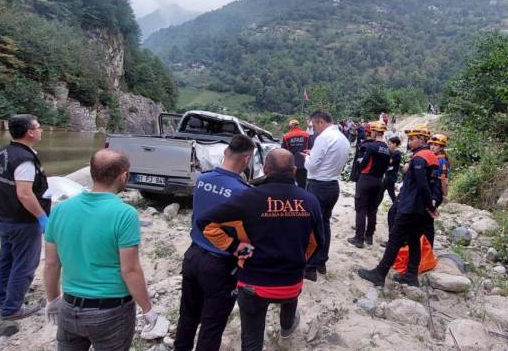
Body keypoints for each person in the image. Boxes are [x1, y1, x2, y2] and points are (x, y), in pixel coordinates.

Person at [195, 149, 324, 351]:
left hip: (253, 283)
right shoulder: (310, 200)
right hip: (291, 282)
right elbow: (317, 243)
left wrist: (234, 247)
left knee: (252, 339)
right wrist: (298, 260)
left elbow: (205, 223)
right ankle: (287, 329)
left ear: (265, 169)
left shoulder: (248, 197)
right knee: (290, 298)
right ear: (294, 170)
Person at [43, 149, 164, 350]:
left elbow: (51, 263)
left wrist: (53, 299)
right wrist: (147, 309)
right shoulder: (124, 214)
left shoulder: (60, 210)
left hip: (70, 306)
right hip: (111, 310)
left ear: (92, 172)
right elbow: (130, 269)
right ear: (124, 175)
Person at [174, 135, 255, 351]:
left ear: (226, 153)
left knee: (187, 316)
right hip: (220, 265)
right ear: (246, 159)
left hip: (192, 255)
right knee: (212, 325)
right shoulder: (243, 193)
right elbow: (247, 236)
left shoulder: (202, 179)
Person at [358, 125, 439, 287]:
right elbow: (432, 184)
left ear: (422, 139)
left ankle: (380, 274)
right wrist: (430, 205)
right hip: (419, 208)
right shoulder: (432, 157)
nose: (409, 142)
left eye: (413, 139)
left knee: (395, 239)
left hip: (410, 206)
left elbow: (422, 185)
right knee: (414, 240)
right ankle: (411, 275)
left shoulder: (419, 158)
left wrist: (431, 205)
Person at [0, 114, 50, 320]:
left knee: (7, 258)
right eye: (39, 126)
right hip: (21, 220)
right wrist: (42, 217)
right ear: (30, 132)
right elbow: (24, 194)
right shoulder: (24, 160)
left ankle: (1, 299)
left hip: (3, 216)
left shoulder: (4, 152)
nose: (41, 130)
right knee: (25, 263)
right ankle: (12, 309)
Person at [301, 110, 349, 281]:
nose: (314, 130)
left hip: (318, 186)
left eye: (314, 126)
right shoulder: (343, 138)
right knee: (324, 224)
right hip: (333, 185)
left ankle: (310, 267)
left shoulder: (323, 138)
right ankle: (321, 261)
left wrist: (307, 158)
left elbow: (312, 166)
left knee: (312, 226)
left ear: (321, 122)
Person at [347, 121, 391, 248]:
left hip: (366, 179)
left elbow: (363, 163)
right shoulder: (387, 149)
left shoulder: (371, 146)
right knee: (372, 209)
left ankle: (359, 238)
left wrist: (360, 165)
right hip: (379, 180)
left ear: (374, 132)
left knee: (361, 209)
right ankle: (369, 236)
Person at [281, 120, 311, 188]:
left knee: (291, 184)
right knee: (302, 185)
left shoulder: (286, 136)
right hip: (303, 164)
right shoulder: (306, 135)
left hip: (291, 165)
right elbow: (310, 148)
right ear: (298, 125)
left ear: (291, 126)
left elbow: (283, 151)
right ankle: (302, 197)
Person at [378, 136, 402, 204]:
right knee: (381, 191)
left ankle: (397, 208)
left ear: (395, 144)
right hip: (387, 176)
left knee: (391, 194)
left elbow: (389, 161)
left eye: (390, 144)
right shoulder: (392, 152)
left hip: (391, 177)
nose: (389, 145)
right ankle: (375, 206)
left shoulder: (397, 153)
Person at [429, 134, 450, 198]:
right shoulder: (432, 158)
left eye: (435, 145)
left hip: (435, 193)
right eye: (431, 144)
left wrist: (444, 196)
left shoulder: (442, 162)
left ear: (441, 147)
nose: (432, 147)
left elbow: (444, 180)